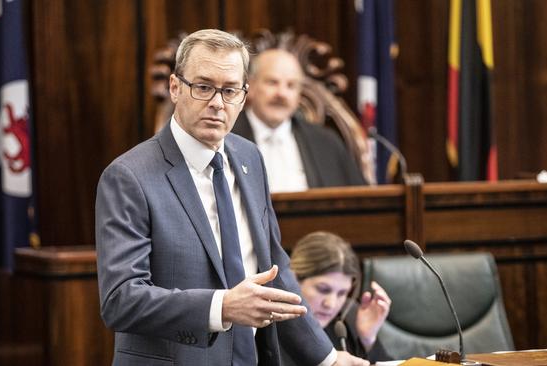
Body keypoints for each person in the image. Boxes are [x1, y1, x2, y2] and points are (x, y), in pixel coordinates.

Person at [95, 29, 369, 366]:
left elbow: (275, 271)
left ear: (243, 96)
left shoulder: (248, 158)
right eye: (203, 87)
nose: (216, 103)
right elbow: (121, 299)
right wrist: (221, 306)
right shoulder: (128, 176)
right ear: (175, 87)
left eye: (229, 90)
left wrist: (327, 358)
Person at [231, 48, 366, 193]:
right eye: (272, 82)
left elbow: (360, 203)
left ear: (299, 94)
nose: (281, 94)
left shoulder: (325, 142)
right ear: (251, 87)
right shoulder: (224, 138)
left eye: (291, 86)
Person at [285, 231, 393, 365]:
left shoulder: (348, 318)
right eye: (323, 289)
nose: (331, 304)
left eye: (342, 293)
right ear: (293, 279)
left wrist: (367, 340)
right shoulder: (271, 324)